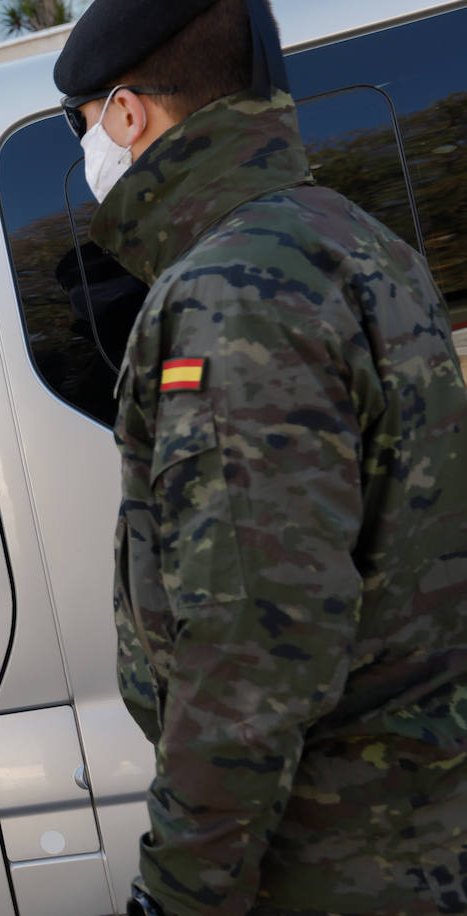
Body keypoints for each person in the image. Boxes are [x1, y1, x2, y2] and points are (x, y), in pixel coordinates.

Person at [53, 1, 467, 914]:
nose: (91, 157)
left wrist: (178, 893)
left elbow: (253, 649)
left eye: (85, 127)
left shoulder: (230, 291)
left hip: (331, 857)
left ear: (127, 115)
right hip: (411, 821)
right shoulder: (358, 239)